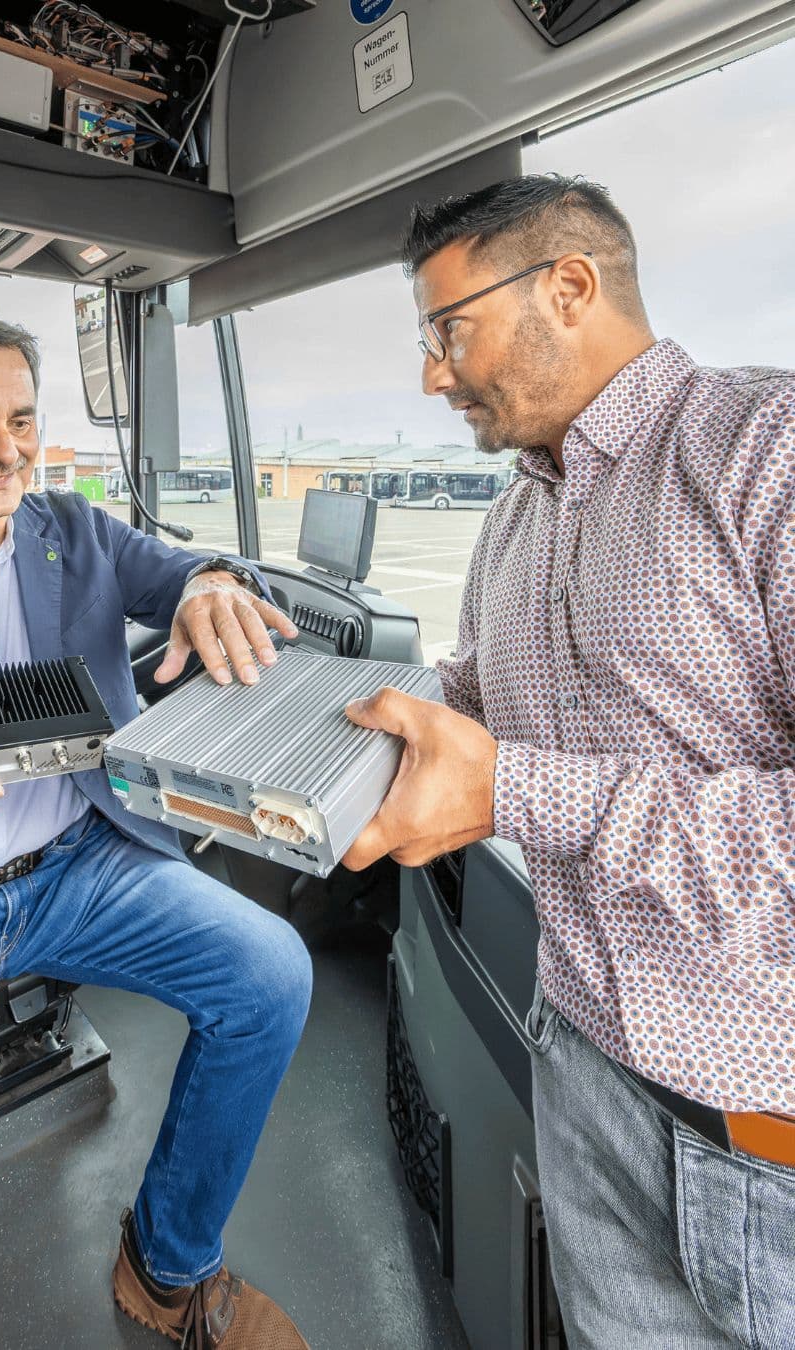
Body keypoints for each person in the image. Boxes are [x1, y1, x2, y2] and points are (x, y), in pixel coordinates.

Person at [0, 304, 313, 1350]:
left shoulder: (73, 533)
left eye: (23, 420)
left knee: (271, 974)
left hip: (79, 866)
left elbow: (184, 571)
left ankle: (167, 1265)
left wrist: (214, 583)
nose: (7, 451)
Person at [342, 175, 795, 1347]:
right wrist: (302, 724)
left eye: (451, 331)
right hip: (581, 1070)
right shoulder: (513, 517)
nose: (432, 375)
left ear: (571, 288)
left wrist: (518, 790)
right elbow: (472, 698)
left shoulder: (767, 452)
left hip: (764, 1129)